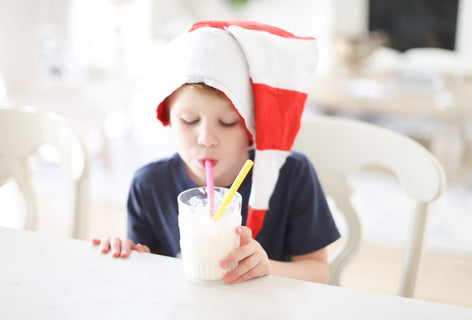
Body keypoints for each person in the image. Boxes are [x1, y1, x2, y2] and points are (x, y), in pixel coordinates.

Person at [92, 20, 340, 284]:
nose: (206, 139)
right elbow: (152, 268)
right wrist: (129, 251)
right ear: (169, 118)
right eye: (189, 120)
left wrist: (266, 266)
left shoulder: (291, 175)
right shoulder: (149, 184)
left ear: (252, 127)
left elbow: (318, 273)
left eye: (227, 123)